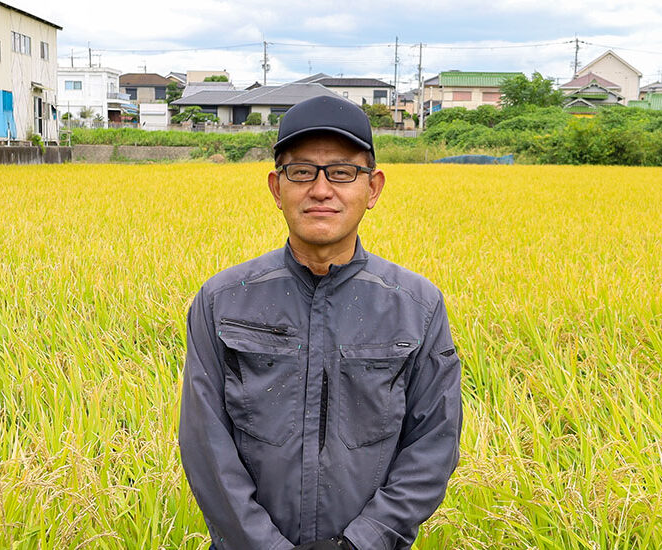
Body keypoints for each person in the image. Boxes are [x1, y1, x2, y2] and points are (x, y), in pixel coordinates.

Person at [179, 95, 462, 550]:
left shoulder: (417, 306)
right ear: (277, 188)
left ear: (373, 189)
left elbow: (433, 444)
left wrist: (360, 544)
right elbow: (205, 445)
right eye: (302, 171)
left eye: (343, 172)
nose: (321, 189)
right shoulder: (223, 301)